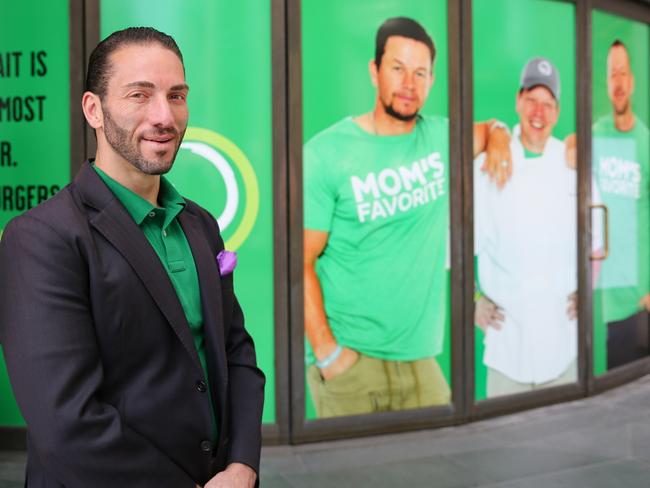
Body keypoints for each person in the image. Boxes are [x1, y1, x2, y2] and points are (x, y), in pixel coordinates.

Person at [0, 27, 264, 488]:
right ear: (93, 110)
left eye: (176, 95)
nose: (164, 116)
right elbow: (66, 424)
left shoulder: (200, 224)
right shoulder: (41, 238)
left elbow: (235, 351)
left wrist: (243, 465)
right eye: (139, 95)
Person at [303, 17, 510, 418]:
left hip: (422, 363)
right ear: (374, 70)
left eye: (420, 73)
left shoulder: (441, 139)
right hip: (352, 364)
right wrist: (330, 355)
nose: (409, 83)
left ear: (432, 80)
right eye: (397, 68)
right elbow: (300, 262)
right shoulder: (326, 153)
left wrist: (499, 134)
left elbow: (487, 129)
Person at [473, 57, 577, 397]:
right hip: (508, 354)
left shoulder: (571, 162)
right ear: (518, 101)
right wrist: (471, 299)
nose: (538, 113)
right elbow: (456, 241)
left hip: (563, 350)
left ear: (557, 113)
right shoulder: (489, 163)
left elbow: (597, 238)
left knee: (569, 447)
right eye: (532, 101)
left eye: (548, 105)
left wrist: (589, 287)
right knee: (504, 448)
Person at [591, 40, 650, 369]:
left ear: (632, 82)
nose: (617, 81)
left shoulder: (645, 142)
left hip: (643, 301)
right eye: (611, 74)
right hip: (609, 303)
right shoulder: (595, 135)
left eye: (623, 72)